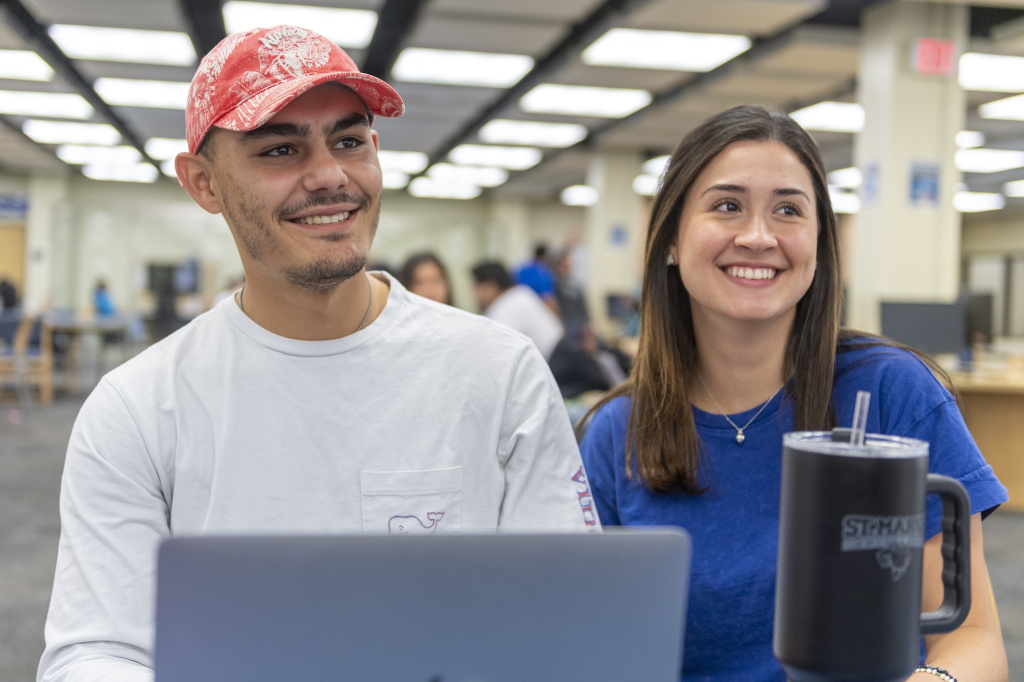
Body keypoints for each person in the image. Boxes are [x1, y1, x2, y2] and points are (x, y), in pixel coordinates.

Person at [39, 25, 598, 681]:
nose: (330, 175)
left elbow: (571, 616)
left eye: (349, 141)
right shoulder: (138, 408)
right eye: (280, 149)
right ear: (203, 183)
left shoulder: (498, 372)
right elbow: (97, 650)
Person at [579, 105, 1008, 682]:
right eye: (727, 206)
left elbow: (973, 641)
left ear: (819, 244)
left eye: (788, 210)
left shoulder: (893, 392)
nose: (758, 237)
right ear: (671, 240)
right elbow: (588, 644)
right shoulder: (617, 432)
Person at [471, 260, 563, 361]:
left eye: (476, 287)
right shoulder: (521, 292)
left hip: (557, 360)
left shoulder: (503, 307)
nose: (474, 294)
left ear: (490, 286)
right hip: (562, 350)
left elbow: (494, 351)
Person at [514, 243, 558, 313]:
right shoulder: (543, 272)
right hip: (537, 310)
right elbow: (548, 298)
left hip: (520, 307)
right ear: (546, 256)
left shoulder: (522, 269)